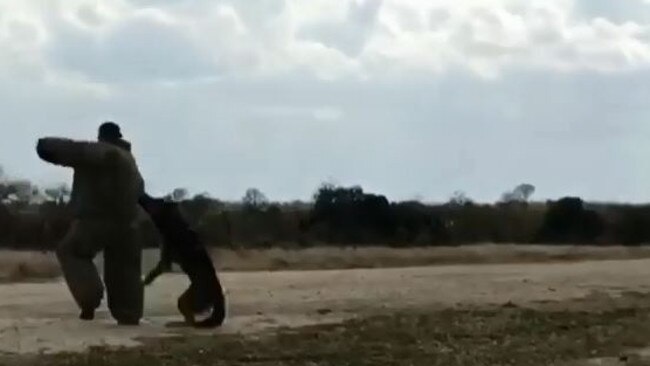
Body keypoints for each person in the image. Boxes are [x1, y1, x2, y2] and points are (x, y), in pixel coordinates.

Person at [36, 122, 145, 325]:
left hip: (95, 219)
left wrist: (42, 146)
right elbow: (140, 191)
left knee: (71, 251)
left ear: (101, 136)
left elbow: (66, 149)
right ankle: (128, 313)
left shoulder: (101, 151)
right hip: (129, 223)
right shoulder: (130, 161)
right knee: (125, 268)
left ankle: (89, 298)